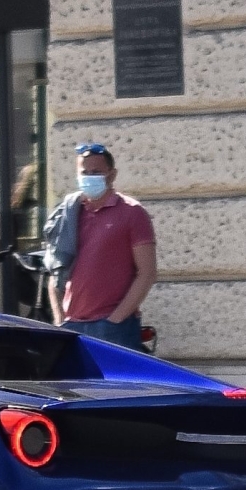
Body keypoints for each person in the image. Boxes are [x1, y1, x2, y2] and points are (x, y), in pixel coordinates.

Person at [42, 142, 156, 347]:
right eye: (84, 173)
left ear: (111, 175)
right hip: (72, 327)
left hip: (113, 328)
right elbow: (56, 269)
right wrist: (59, 320)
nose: (89, 178)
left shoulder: (132, 213)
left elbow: (147, 273)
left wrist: (116, 319)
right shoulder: (69, 214)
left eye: (96, 172)